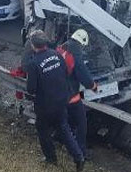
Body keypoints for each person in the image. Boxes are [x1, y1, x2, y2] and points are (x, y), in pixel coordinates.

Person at [25, 30, 85, 171]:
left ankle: (51, 159)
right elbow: (66, 73)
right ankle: (79, 157)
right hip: (62, 100)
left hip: (45, 105)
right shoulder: (56, 55)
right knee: (64, 128)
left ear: (33, 45)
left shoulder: (33, 63)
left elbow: (31, 89)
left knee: (43, 130)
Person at [56, 29, 97, 158]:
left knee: (64, 119)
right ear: (83, 43)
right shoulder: (76, 54)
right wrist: (93, 86)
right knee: (81, 122)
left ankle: (60, 138)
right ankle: (81, 152)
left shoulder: (61, 48)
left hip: (56, 93)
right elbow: (83, 75)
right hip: (70, 95)